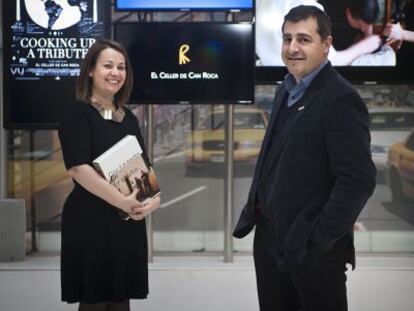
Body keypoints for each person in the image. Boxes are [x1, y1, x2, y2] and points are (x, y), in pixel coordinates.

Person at [233, 5, 376, 311]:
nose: (292, 48)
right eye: (287, 39)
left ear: (326, 44)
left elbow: (358, 180)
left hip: (312, 251)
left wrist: (319, 239)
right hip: (271, 243)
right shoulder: (287, 90)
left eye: (303, 39)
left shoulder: (340, 99)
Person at [58, 39, 160, 311]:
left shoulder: (128, 118)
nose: (116, 72)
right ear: (90, 70)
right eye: (108, 65)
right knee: (94, 301)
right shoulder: (76, 113)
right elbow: (79, 168)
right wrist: (122, 201)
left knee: (120, 300)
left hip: (125, 224)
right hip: (90, 222)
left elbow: (144, 167)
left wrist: (153, 200)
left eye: (121, 67)